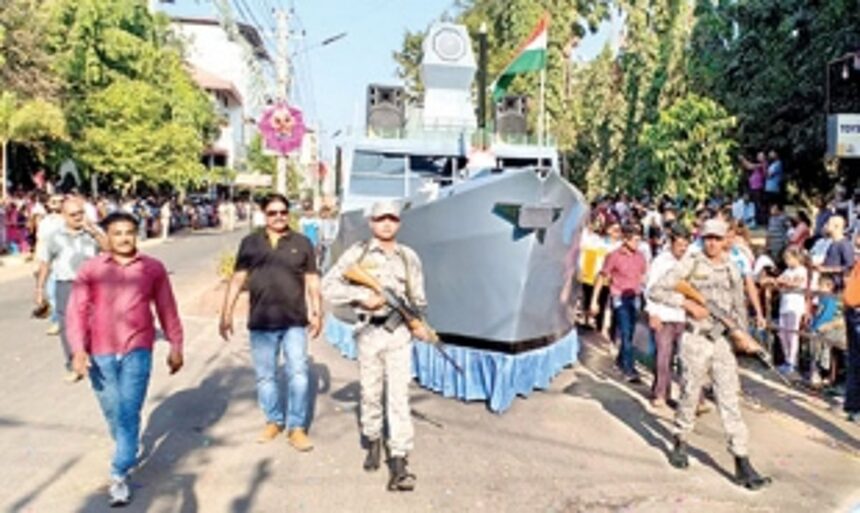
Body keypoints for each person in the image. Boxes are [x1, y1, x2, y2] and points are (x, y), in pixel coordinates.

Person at [66, 212, 184, 507]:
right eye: (117, 233)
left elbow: (167, 307)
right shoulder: (90, 270)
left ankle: (119, 473)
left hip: (138, 350)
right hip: (100, 352)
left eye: (129, 232)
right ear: (107, 236)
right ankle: (126, 447)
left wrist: (176, 344)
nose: (123, 238)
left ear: (137, 234)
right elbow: (76, 312)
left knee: (129, 413)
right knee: (114, 413)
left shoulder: (152, 268)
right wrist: (79, 350)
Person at [649, 219, 771, 490]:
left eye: (717, 238)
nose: (712, 243)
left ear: (726, 238)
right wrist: (687, 303)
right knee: (691, 394)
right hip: (696, 339)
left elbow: (738, 308)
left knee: (730, 400)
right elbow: (656, 289)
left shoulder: (732, 266)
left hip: (723, 342)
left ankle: (742, 460)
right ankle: (680, 439)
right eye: (708, 238)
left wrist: (743, 337)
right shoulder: (691, 262)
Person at [322, 200, 428, 491]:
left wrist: (417, 322)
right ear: (371, 222)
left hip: (398, 336)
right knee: (370, 392)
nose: (386, 224)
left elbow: (418, 298)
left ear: (399, 223)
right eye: (381, 218)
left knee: (398, 397)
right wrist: (361, 296)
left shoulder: (409, 257)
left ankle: (400, 459)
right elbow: (328, 286)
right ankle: (373, 439)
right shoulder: (358, 253)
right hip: (368, 332)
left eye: (392, 219)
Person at [219, 193, 321, 450]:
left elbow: (312, 280)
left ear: (289, 214)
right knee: (266, 377)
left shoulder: (302, 242)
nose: (279, 217)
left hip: (294, 321)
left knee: (298, 374)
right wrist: (226, 313)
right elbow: (238, 278)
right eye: (273, 212)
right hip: (261, 321)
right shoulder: (250, 243)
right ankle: (274, 420)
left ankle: (296, 427)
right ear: (264, 214)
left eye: (283, 212)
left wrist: (317, 312)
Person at [35, 196, 107, 380]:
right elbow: (45, 264)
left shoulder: (93, 232)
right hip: (66, 285)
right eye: (73, 214)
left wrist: (94, 232)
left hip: (92, 286)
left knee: (94, 322)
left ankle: (96, 357)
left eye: (80, 213)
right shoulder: (54, 237)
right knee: (68, 326)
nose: (78, 217)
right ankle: (74, 363)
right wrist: (39, 290)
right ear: (63, 216)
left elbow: (110, 249)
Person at [591, 223, 648, 382]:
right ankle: (629, 369)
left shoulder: (640, 256)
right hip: (619, 297)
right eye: (635, 240)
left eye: (639, 240)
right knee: (624, 332)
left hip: (635, 296)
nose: (637, 243)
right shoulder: (614, 256)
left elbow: (643, 276)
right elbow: (602, 277)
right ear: (626, 240)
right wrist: (594, 301)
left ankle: (621, 360)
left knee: (630, 332)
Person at [645, 224, 691, 408]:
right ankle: (660, 394)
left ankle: (691, 398)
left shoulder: (690, 261)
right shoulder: (661, 262)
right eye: (680, 244)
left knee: (686, 359)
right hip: (664, 315)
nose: (683, 248)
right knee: (663, 357)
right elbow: (649, 288)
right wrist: (652, 313)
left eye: (686, 245)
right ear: (672, 243)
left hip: (684, 315)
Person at [774, 248, 808, 375]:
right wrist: (783, 282)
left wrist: (785, 283)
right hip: (785, 305)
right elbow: (778, 281)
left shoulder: (802, 270)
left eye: (788, 259)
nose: (786, 262)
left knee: (793, 335)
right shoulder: (787, 270)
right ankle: (787, 359)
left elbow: (796, 283)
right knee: (783, 333)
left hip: (795, 306)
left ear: (796, 258)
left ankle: (792, 362)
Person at [816, 215, 854, 292]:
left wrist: (828, 269)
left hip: (836, 286)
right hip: (826, 283)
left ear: (836, 226)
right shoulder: (832, 243)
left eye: (828, 224)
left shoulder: (845, 244)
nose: (826, 226)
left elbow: (849, 266)